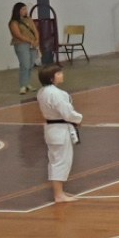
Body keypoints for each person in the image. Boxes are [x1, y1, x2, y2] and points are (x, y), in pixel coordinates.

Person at [35, 63, 82, 202]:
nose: (62, 75)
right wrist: (78, 119)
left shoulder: (42, 92)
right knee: (61, 161)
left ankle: (59, 191)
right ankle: (58, 194)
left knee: (56, 160)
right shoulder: (56, 93)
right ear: (51, 78)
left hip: (52, 129)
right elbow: (66, 112)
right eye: (59, 73)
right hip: (59, 129)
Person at [10, 2, 40, 94]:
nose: (25, 11)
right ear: (17, 11)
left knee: (30, 65)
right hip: (21, 44)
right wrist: (30, 41)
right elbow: (18, 35)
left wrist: (37, 40)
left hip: (33, 44)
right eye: (23, 9)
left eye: (25, 9)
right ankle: (22, 86)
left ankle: (27, 84)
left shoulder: (29, 19)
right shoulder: (13, 22)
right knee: (25, 65)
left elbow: (35, 30)